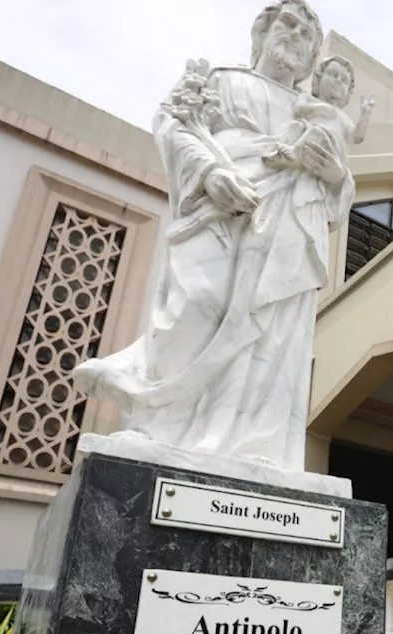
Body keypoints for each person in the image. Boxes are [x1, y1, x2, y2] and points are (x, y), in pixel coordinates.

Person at [72, 1, 355, 468]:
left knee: (272, 338)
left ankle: (255, 447)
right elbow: (175, 123)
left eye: (308, 33)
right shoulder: (223, 79)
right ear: (261, 34)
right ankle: (156, 425)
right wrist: (206, 173)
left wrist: (335, 174)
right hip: (220, 210)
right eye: (288, 23)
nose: (297, 35)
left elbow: (338, 190)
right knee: (198, 302)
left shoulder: (314, 111)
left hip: (286, 227)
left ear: (311, 62)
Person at [263, 55, 374, 172]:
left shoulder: (342, 116)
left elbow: (356, 137)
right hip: (306, 136)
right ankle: (278, 151)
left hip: (328, 147)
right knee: (296, 125)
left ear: (348, 92)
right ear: (319, 77)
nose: (338, 80)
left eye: (344, 80)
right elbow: (298, 110)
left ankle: (294, 153)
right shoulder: (308, 98)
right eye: (333, 74)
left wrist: (365, 115)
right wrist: (321, 108)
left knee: (316, 131)